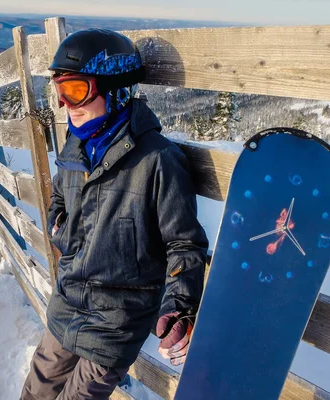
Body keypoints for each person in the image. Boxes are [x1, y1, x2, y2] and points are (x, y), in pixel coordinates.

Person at [21, 28, 209, 400]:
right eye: (58, 91)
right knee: (34, 393)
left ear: (115, 89)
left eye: (75, 90)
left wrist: (179, 308)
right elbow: (60, 200)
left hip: (115, 324)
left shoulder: (157, 160)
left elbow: (184, 244)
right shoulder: (75, 148)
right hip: (66, 307)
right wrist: (62, 231)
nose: (65, 104)